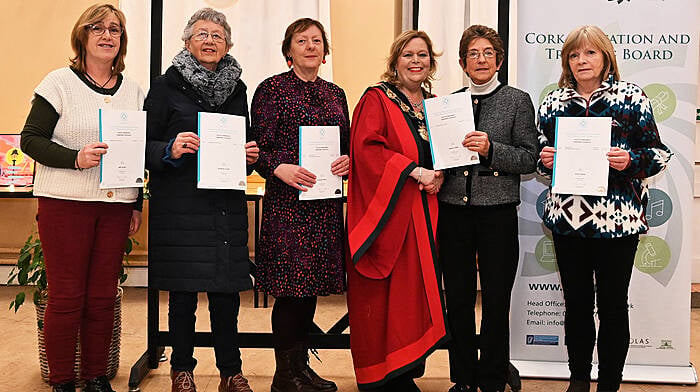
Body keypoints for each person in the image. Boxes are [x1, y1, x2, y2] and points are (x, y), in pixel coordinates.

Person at [537, 25, 672, 392]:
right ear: (567, 62)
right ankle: (578, 380)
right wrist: (544, 158)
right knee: (576, 306)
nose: (582, 60)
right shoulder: (552, 102)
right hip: (568, 222)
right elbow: (540, 152)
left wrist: (630, 160)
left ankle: (610, 384)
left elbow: (658, 154)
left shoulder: (631, 97)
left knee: (613, 307)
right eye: (575, 55)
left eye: (590, 53)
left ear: (606, 57)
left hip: (617, 224)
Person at [19, 4, 143, 392]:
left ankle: (95, 376)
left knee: (104, 295)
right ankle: (61, 380)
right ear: (82, 36)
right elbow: (31, 140)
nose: (107, 35)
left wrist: (135, 201)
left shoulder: (134, 89)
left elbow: (135, 149)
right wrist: (75, 158)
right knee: (67, 295)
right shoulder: (58, 83)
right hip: (64, 204)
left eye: (115, 29)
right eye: (98, 28)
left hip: (116, 206)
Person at [144, 8, 258, 392]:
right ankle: (182, 369)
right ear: (187, 41)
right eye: (202, 34)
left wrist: (248, 154)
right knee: (183, 294)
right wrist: (170, 148)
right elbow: (143, 146)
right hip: (180, 205)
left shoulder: (238, 88)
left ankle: (231, 372)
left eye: (218, 35)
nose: (210, 41)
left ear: (227, 44)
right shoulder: (164, 86)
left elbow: (243, 137)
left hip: (224, 204)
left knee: (226, 294)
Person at [437, 25, 538, 392]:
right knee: (459, 299)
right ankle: (463, 378)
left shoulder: (517, 100)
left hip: (496, 213)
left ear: (499, 60)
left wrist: (491, 149)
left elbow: (529, 159)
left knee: (497, 299)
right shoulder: (447, 104)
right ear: (463, 63)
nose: (481, 59)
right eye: (473, 54)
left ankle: (493, 376)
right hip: (453, 212)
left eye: (488, 53)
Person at [250, 18, 349, 392]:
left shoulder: (336, 94)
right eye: (301, 40)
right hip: (287, 207)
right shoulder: (271, 90)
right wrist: (278, 166)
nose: (310, 46)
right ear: (288, 49)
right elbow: (257, 148)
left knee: (309, 291)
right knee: (291, 291)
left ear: (325, 51)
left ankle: (300, 367)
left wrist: (347, 162)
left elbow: (347, 146)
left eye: (317, 41)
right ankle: (284, 374)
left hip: (323, 207)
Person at [346, 30, 447, 391]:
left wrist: (440, 174)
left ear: (431, 63)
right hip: (388, 216)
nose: (415, 61)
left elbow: (450, 154)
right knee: (385, 295)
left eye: (422, 55)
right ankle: (381, 375)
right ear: (394, 63)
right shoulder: (377, 99)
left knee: (414, 295)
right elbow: (367, 150)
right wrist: (414, 171)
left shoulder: (437, 106)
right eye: (408, 55)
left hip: (425, 214)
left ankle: (405, 370)